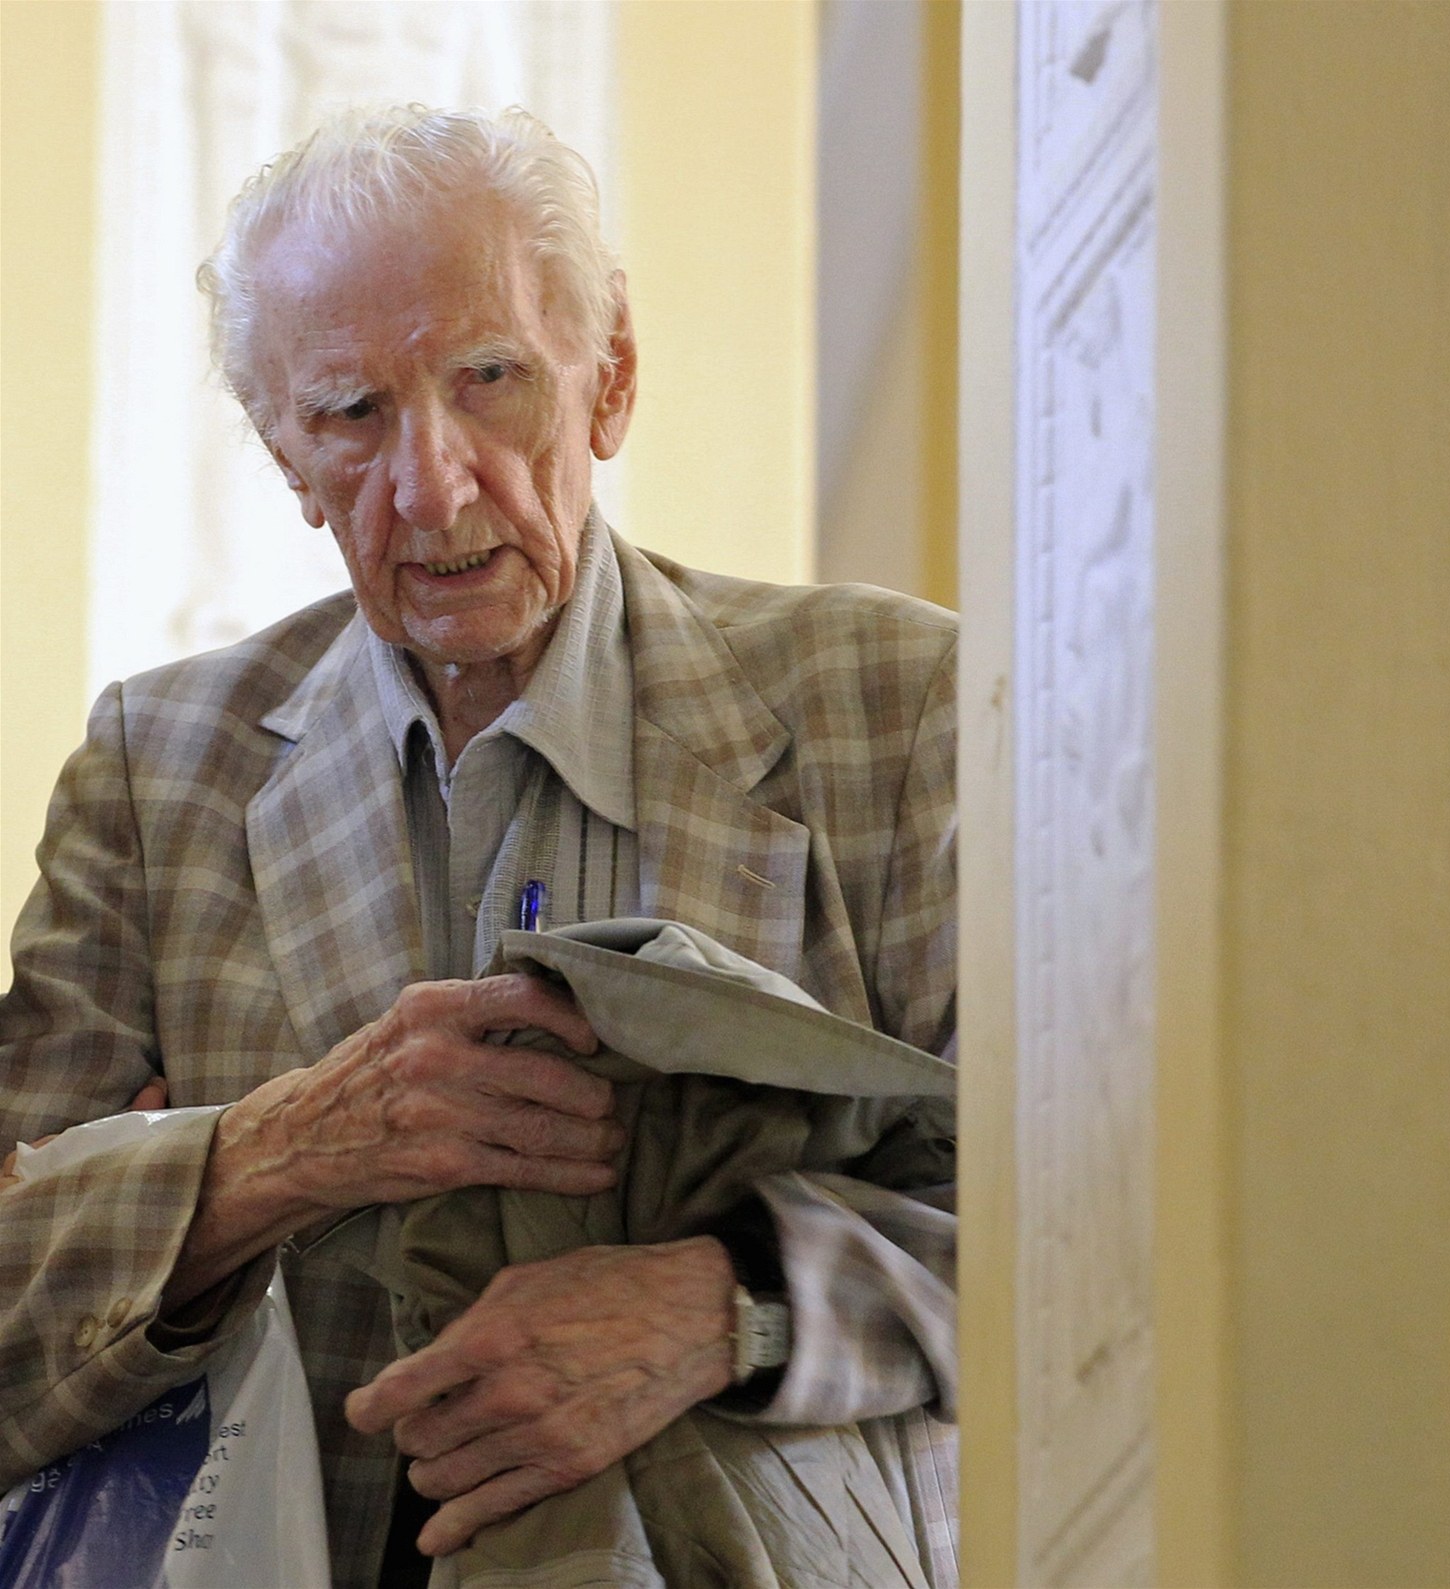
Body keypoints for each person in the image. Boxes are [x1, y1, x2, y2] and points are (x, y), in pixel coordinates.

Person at [0, 106, 957, 1588]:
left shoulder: (889, 704)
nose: (432, 487)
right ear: (287, 456)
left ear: (609, 378)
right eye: (351, 412)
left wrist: (730, 1306)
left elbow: (1089, 1208)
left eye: (489, 379)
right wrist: (278, 1150)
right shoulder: (159, 768)